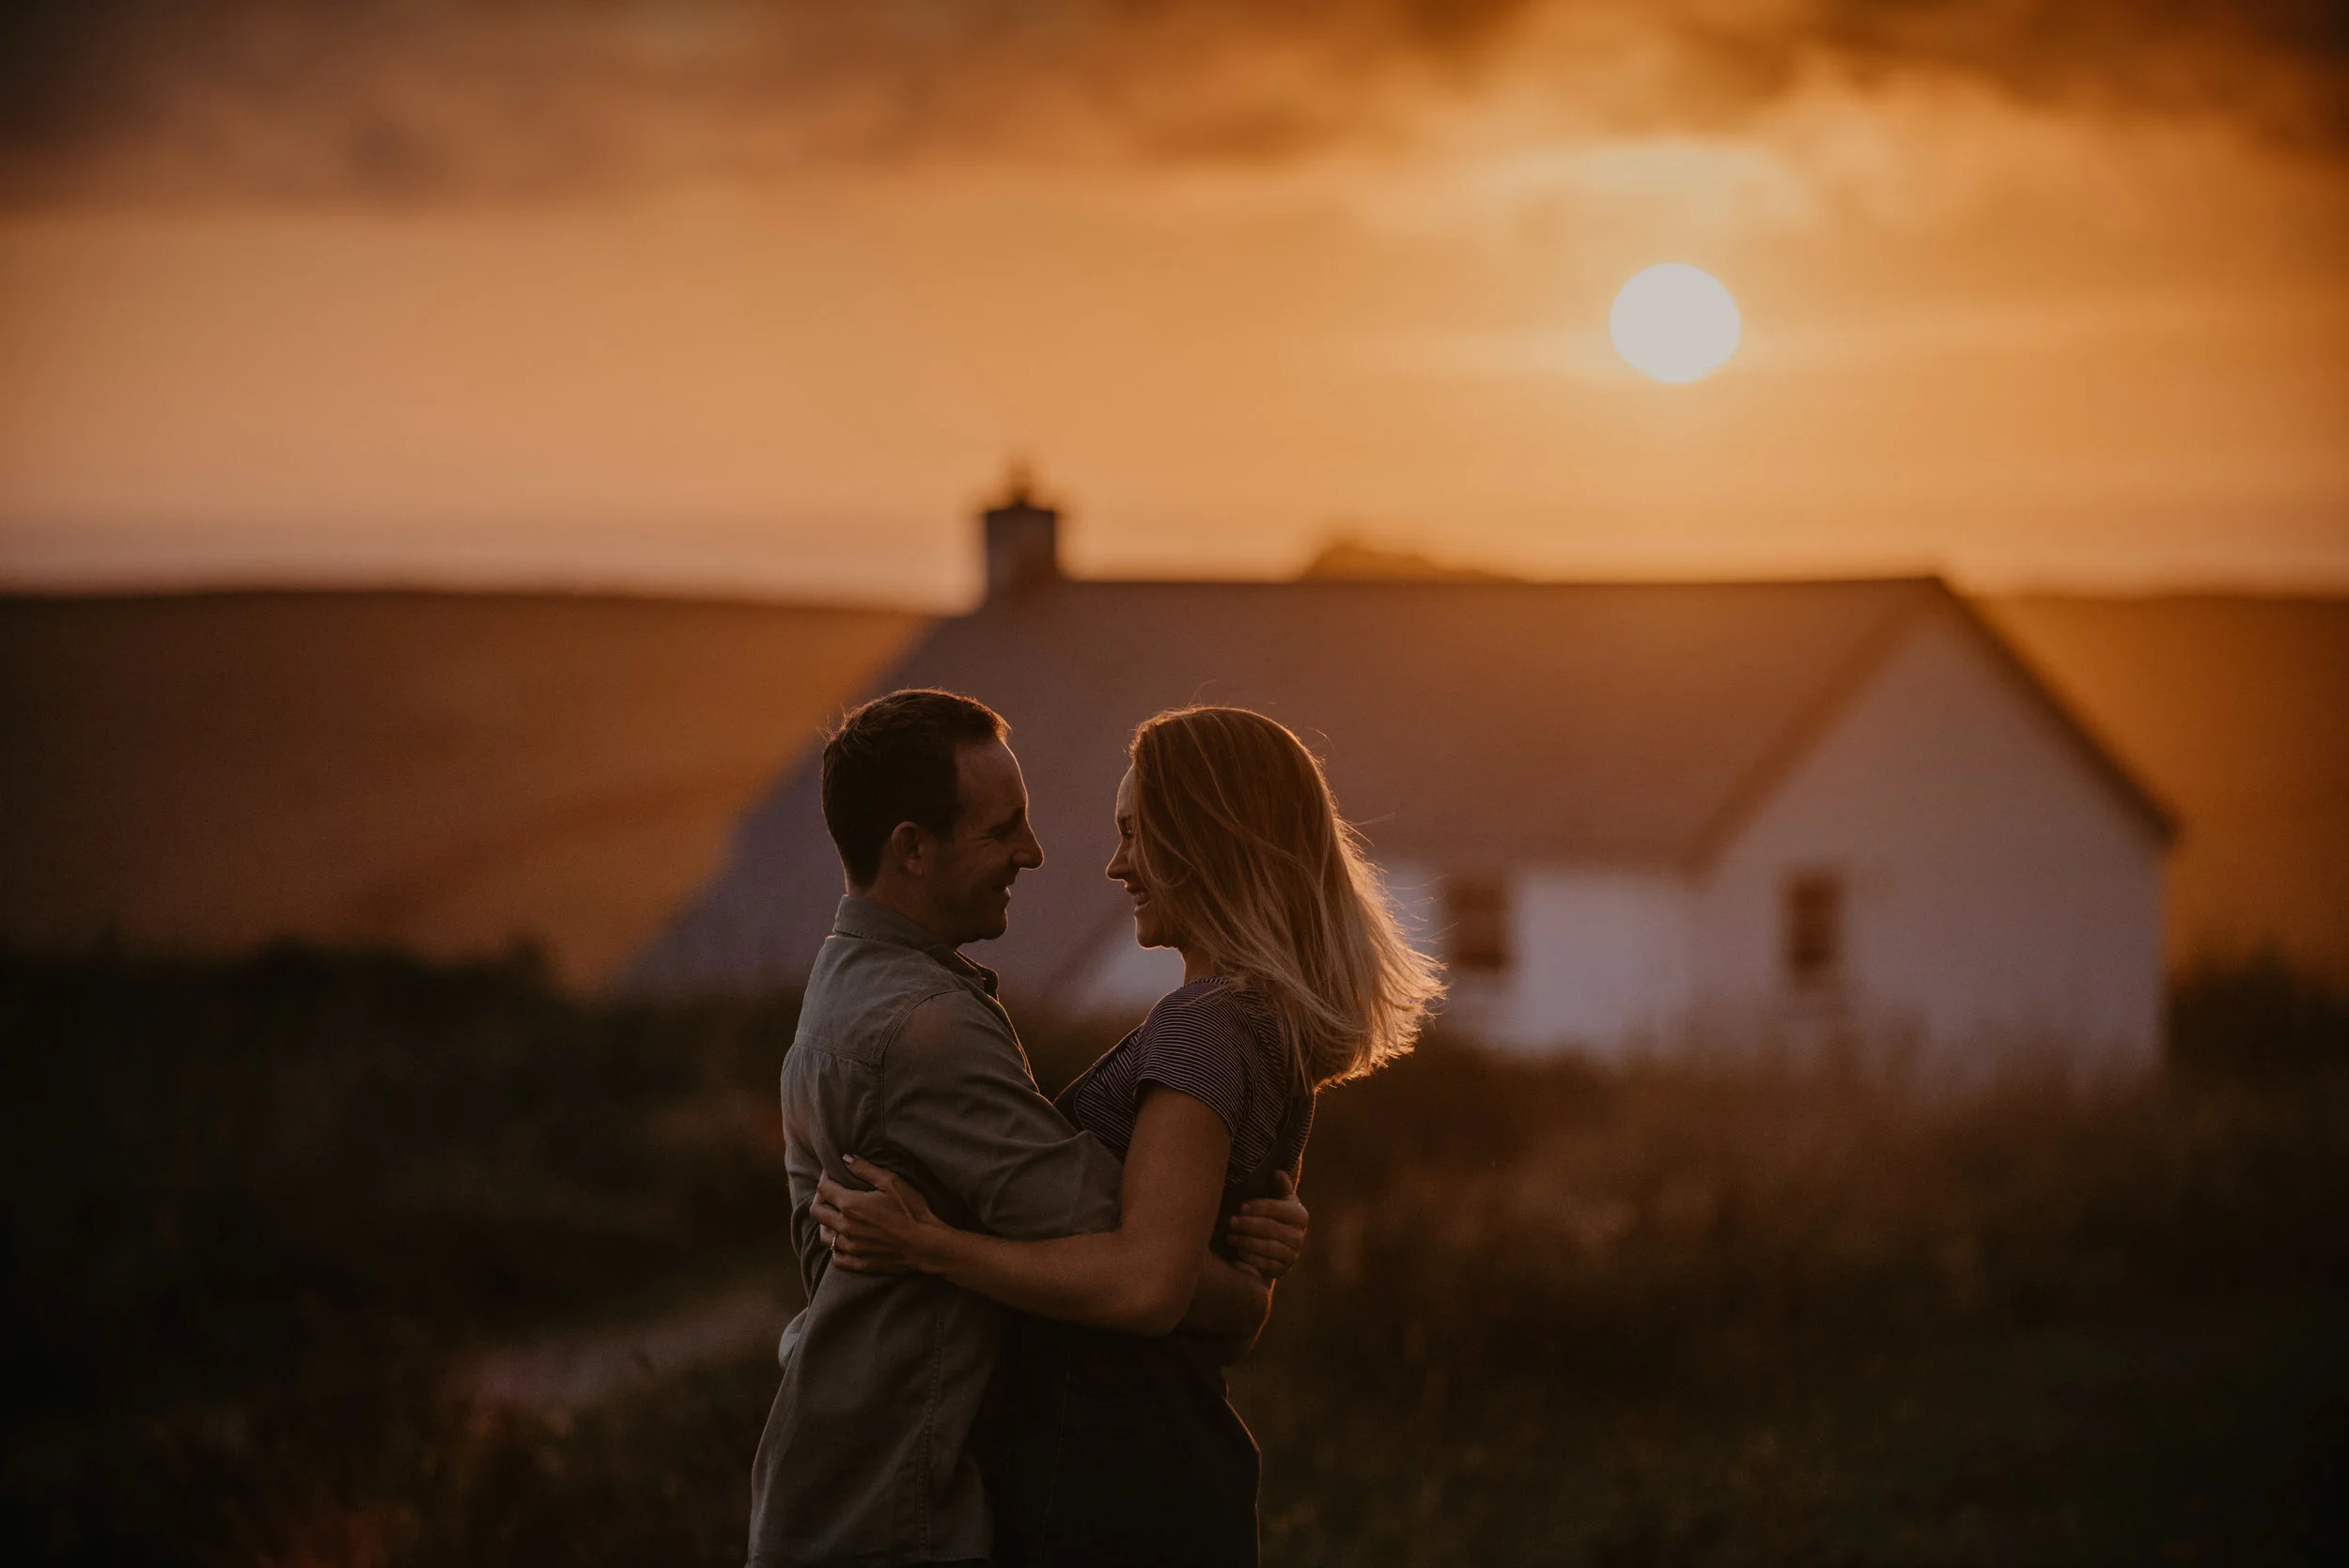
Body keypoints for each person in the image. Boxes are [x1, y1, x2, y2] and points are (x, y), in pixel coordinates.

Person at [817, 705, 1442, 1568]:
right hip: (1166, 1468)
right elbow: (1226, 1320)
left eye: (1135, 836)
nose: (1116, 866)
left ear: (1205, 840)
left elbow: (1148, 1287)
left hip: (1104, 1483)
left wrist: (931, 1247)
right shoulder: (1272, 1028)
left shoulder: (1203, 1028)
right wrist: (1250, 1282)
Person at [746, 689, 1309, 1568]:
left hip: (865, 1490)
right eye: (1004, 828)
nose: (1036, 853)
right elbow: (1136, 1262)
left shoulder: (848, 980)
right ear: (912, 849)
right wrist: (1246, 1283)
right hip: (898, 1513)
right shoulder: (924, 1029)